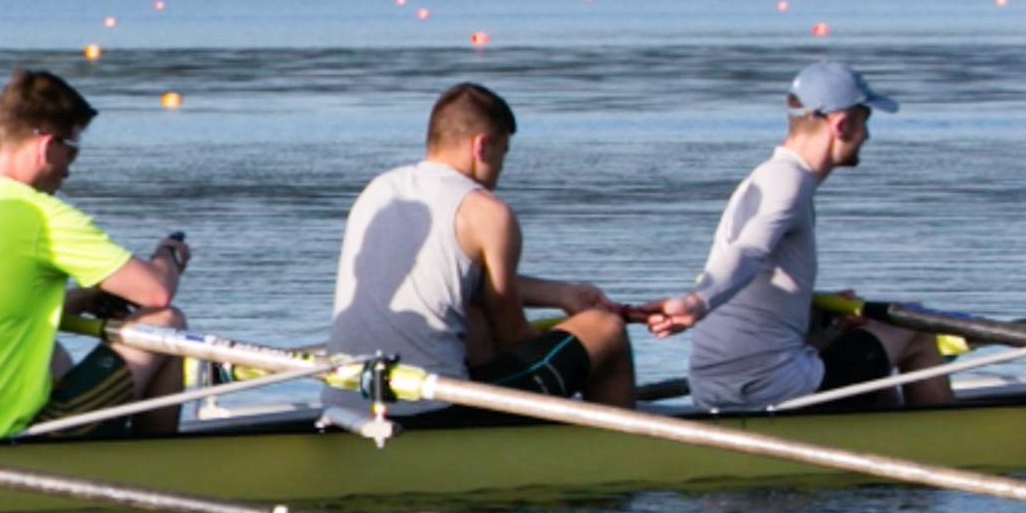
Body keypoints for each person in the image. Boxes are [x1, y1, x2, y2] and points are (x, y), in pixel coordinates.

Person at [0, 67, 190, 443]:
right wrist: (168, 255)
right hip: (19, 433)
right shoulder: (38, 214)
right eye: (73, 150)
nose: (70, 168)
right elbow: (155, 291)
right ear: (47, 146)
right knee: (164, 322)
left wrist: (82, 299)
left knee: (51, 352)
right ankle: (156, 461)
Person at [643, 61, 941, 414]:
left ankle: (881, 432)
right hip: (766, 389)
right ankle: (945, 438)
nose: (867, 136)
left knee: (857, 345)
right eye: (865, 121)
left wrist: (814, 308)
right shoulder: (790, 181)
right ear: (841, 124)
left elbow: (757, 274)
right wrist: (697, 303)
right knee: (916, 325)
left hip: (713, 388)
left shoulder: (766, 176)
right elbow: (749, 250)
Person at [329, 80, 632, 399]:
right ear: (481, 146)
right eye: (503, 154)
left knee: (474, 312)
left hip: (348, 397)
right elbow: (511, 337)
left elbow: (458, 282)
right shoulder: (487, 211)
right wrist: (578, 339)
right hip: (434, 404)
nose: (500, 168)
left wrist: (563, 295)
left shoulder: (379, 189)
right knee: (605, 329)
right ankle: (613, 429)